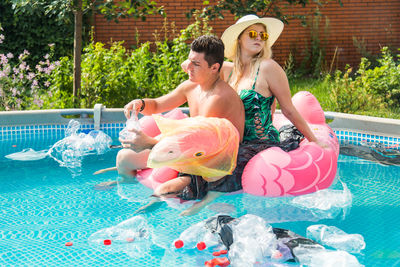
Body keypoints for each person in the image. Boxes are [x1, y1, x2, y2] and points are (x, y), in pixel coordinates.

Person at [174, 15, 324, 215]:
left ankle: (209, 202)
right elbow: (193, 63)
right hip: (235, 142)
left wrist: (314, 140)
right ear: (239, 39)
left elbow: (288, 109)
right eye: (253, 33)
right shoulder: (231, 70)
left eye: (263, 35)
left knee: (222, 172)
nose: (259, 38)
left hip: (260, 142)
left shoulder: (268, 68)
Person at [98, 35, 245, 212]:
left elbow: (199, 142)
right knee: (123, 158)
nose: (188, 68)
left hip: (213, 159)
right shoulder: (192, 86)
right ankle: (126, 187)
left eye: (196, 64)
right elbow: (159, 104)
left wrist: (150, 143)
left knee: (166, 190)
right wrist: (140, 103)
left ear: (214, 68)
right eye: (189, 61)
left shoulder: (219, 98)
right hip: (192, 147)